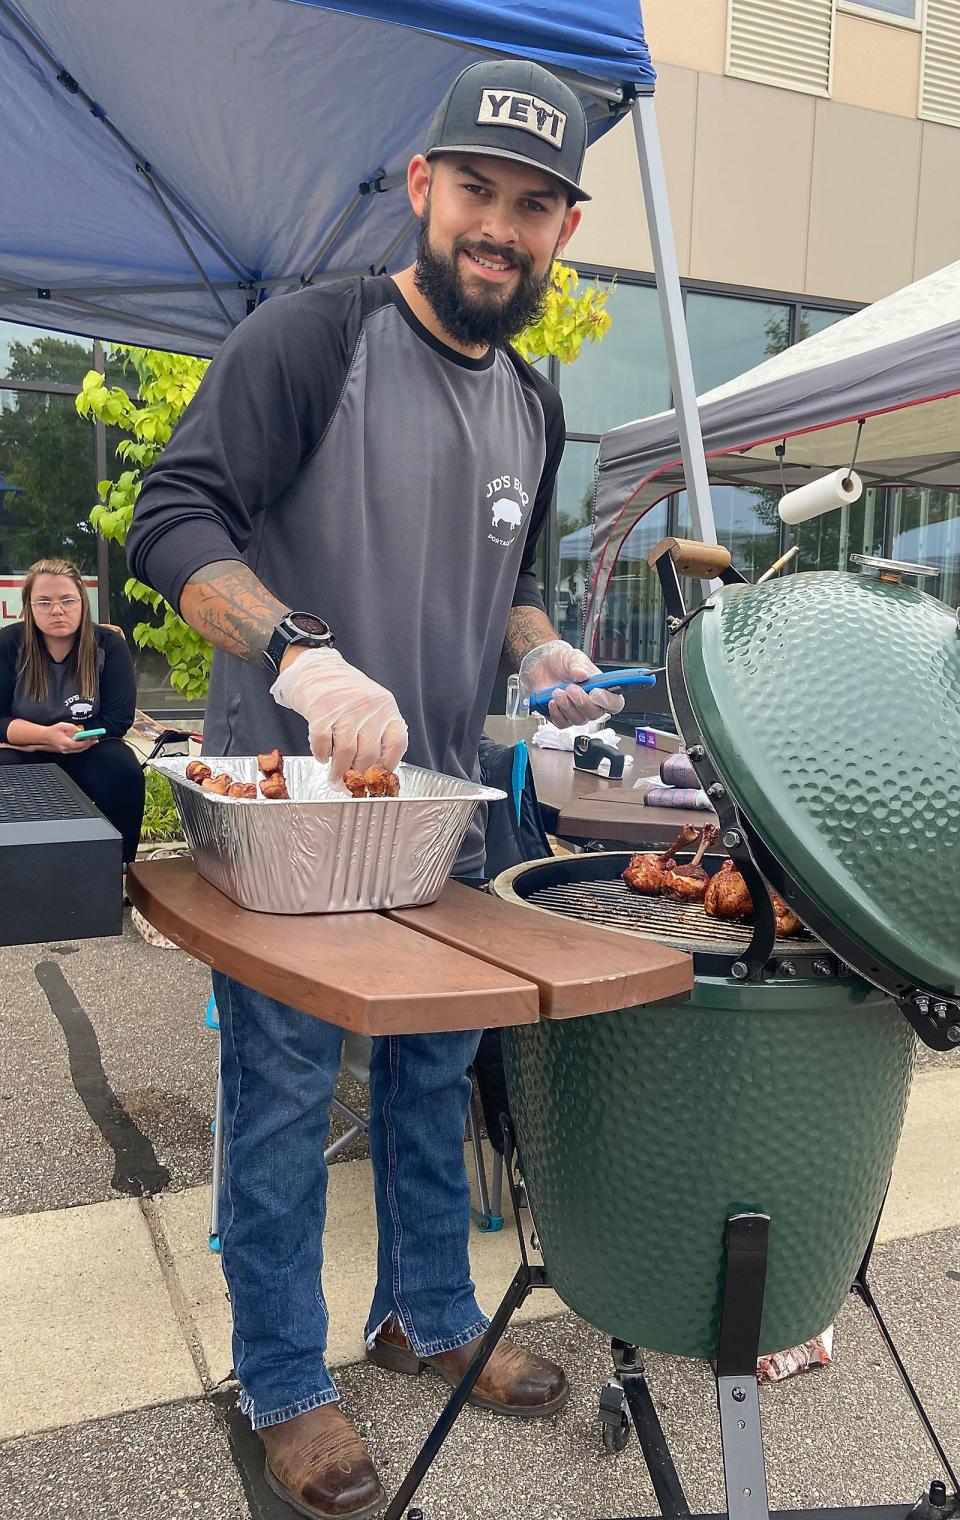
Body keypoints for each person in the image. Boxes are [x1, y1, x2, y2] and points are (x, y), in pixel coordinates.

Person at [126, 57, 624, 1520]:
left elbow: (510, 590)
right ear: (424, 189)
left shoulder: (534, 406)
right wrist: (296, 652)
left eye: (534, 206)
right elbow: (172, 512)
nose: (501, 227)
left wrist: (544, 662)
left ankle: (429, 1316)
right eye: (478, 190)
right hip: (289, 821)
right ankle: (283, 1374)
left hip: (441, 822)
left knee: (424, 1083)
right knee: (282, 1101)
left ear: (561, 233)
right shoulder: (312, 337)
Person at [0, 558, 144, 864]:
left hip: (87, 745)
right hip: (25, 748)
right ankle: (19, 870)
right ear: (28, 607)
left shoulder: (108, 644)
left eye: (67, 600)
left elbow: (118, 718)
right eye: (44, 602)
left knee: (121, 766)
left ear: (82, 602)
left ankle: (119, 870)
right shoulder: (9, 644)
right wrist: (44, 738)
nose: (57, 610)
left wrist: (77, 736)